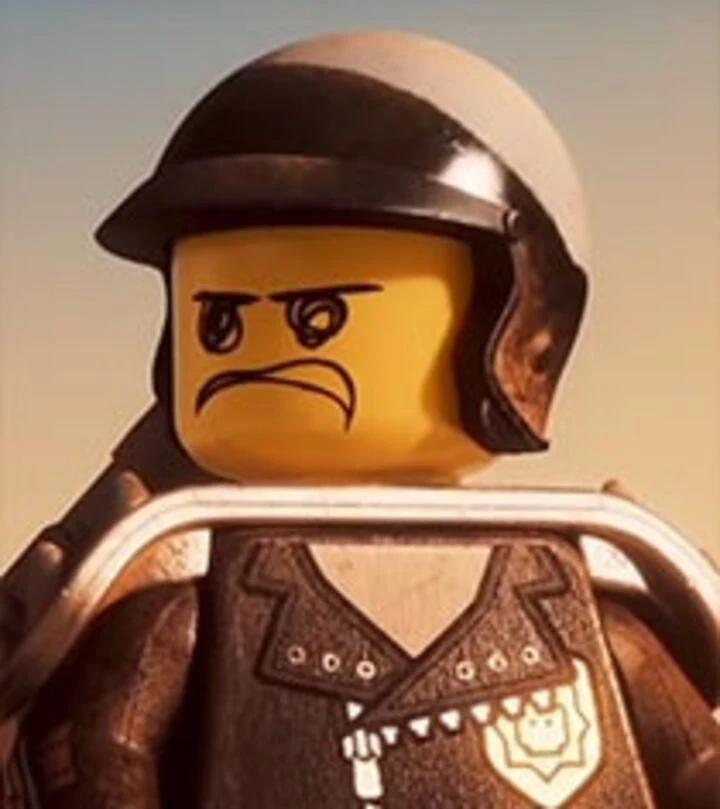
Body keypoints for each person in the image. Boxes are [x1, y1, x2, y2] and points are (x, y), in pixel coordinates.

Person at [3, 30, 718, 808]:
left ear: (513, 325)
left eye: (320, 318)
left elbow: (696, 762)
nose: (257, 353)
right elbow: (100, 749)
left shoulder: (583, 599)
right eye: (220, 321)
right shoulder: (180, 598)